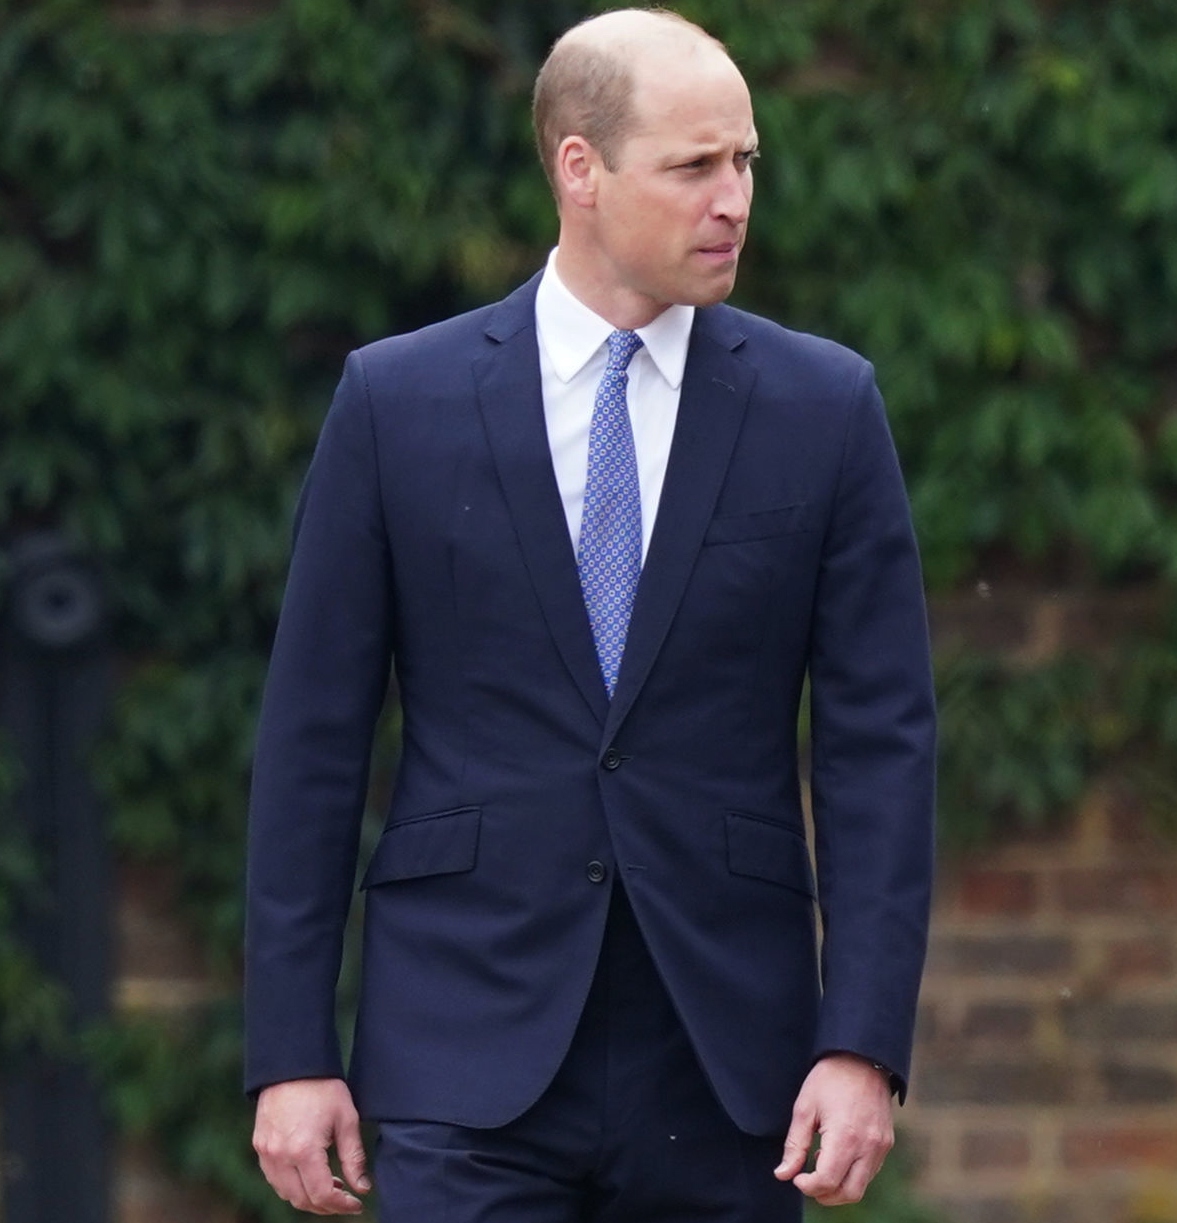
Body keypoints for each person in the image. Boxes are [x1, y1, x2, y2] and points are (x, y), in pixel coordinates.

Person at [243, 11, 936, 1220]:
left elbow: (882, 745)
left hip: (729, 1058)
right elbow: (312, 739)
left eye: (747, 162)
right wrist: (291, 1050)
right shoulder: (397, 402)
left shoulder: (823, 407)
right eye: (694, 166)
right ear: (580, 168)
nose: (735, 200)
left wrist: (862, 1041)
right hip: (462, 1042)